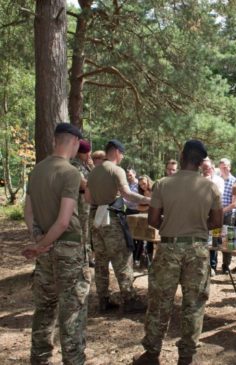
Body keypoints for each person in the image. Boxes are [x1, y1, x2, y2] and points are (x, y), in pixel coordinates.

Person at [132, 140, 223, 365]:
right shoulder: (210, 187)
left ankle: (152, 353)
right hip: (198, 249)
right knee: (194, 304)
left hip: (168, 248)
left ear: (182, 157)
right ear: (201, 162)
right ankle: (186, 356)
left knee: (160, 302)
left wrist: (171, 227)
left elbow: (152, 220)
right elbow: (218, 221)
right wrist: (198, 226)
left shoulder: (163, 184)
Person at [22, 123, 90, 365]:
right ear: (73, 142)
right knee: (72, 312)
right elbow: (63, 221)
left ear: (54, 140)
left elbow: (27, 211)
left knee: (44, 309)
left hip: (46, 251)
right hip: (67, 251)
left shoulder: (37, 171)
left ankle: (39, 359)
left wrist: (38, 239)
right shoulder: (70, 173)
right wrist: (42, 244)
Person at [85, 139, 150, 314]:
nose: (122, 157)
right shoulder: (116, 170)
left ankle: (103, 299)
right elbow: (127, 194)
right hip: (111, 218)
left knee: (101, 260)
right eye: (122, 153)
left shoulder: (93, 172)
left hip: (95, 218)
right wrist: (147, 200)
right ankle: (129, 299)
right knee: (122, 258)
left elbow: (88, 199)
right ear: (116, 151)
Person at [71, 139, 95, 267]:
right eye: (87, 153)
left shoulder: (85, 164)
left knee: (88, 231)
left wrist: (91, 167)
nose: (89, 156)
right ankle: (84, 258)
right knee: (83, 230)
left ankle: (88, 256)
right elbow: (83, 184)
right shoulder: (75, 165)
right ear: (80, 153)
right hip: (80, 202)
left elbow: (96, 178)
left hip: (87, 201)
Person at [202, 158, 224, 276]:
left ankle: (213, 266)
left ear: (213, 168)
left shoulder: (219, 180)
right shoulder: (198, 179)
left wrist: (208, 183)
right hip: (202, 215)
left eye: (208, 168)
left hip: (215, 215)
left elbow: (218, 196)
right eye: (204, 168)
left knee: (214, 242)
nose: (206, 170)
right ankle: (204, 265)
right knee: (203, 240)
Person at [218, 158, 236, 273]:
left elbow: (234, 203)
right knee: (215, 239)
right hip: (216, 216)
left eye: (226, 166)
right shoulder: (216, 180)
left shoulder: (234, 181)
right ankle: (212, 265)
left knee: (229, 241)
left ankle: (226, 266)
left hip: (229, 215)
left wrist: (221, 211)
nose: (224, 168)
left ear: (230, 167)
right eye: (221, 166)